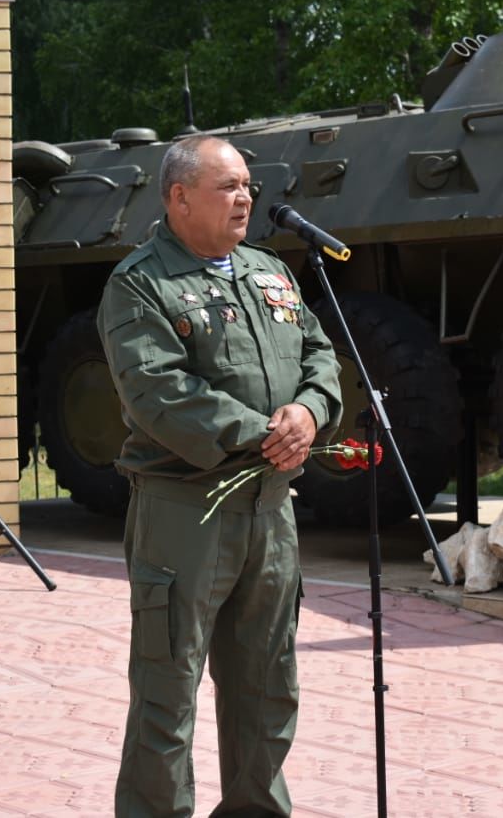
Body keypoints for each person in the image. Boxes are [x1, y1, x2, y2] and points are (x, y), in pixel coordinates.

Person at [97, 135, 343, 817]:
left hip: (269, 510)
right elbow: (159, 395)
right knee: (166, 693)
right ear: (178, 197)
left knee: (267, 689)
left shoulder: (270, 272)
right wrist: (267, 432)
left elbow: (320, 354)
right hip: (185, 512)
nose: (245, 197)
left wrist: (310, 411)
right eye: (227, 185)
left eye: (247, 186)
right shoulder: (140, 283)